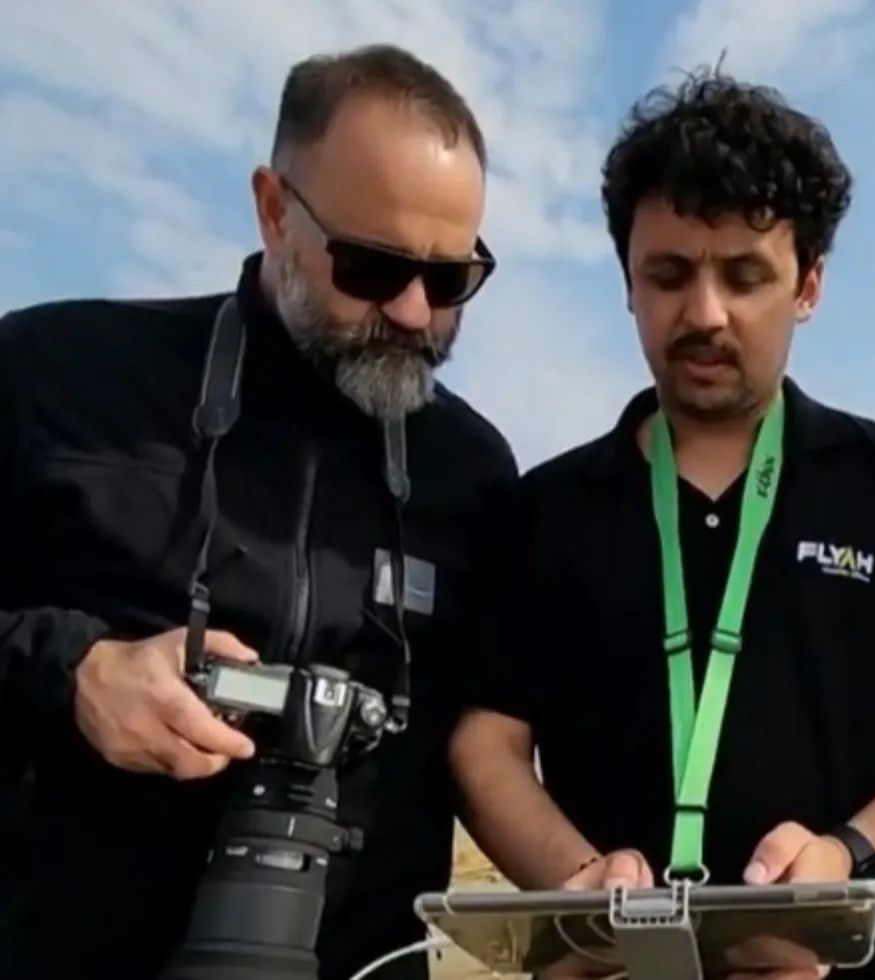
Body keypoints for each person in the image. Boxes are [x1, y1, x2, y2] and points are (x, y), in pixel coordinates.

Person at [451, 69, 875, 980]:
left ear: (808, 284)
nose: (705, 313)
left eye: (745, 275)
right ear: (627, 282)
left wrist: (848, 861)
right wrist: (577, 884)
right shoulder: (547, 508)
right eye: (669, 274)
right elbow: (486, 741)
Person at [0, 44, 515, 980]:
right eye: (369, 265)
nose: (411, 314)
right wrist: (71, 668)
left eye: (449, 282)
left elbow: (503, 736)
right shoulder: (54, 377)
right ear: (275, 209)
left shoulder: (474, 474)